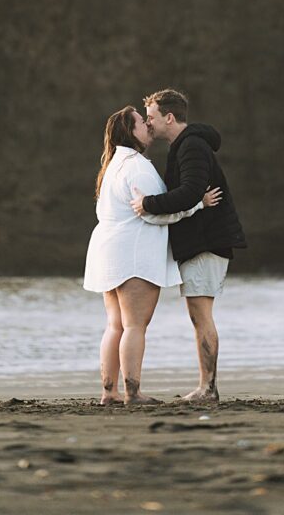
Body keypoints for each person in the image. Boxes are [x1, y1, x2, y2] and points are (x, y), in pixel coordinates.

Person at [83, 105, 221, 406]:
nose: (147, 125)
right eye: (140, 123)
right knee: (134, 325)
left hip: (106, 252)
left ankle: (109, 392)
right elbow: (156, 214)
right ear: (130, 133)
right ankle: (133, 392)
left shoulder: (112, 166)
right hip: (133, 254)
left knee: (115, 325)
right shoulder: (137, 167)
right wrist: (198, 205)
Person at [130, 88, 246, 403]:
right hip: (202, 241)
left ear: (169, 117)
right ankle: (207, 386)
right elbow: (194, 194)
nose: (149, 124)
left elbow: (191, 191)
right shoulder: (187, 145)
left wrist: (147, 203)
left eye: (152, 117)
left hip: (207, 242)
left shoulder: (191, 146)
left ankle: (207, 388)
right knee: (199, 314)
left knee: (201, 315)